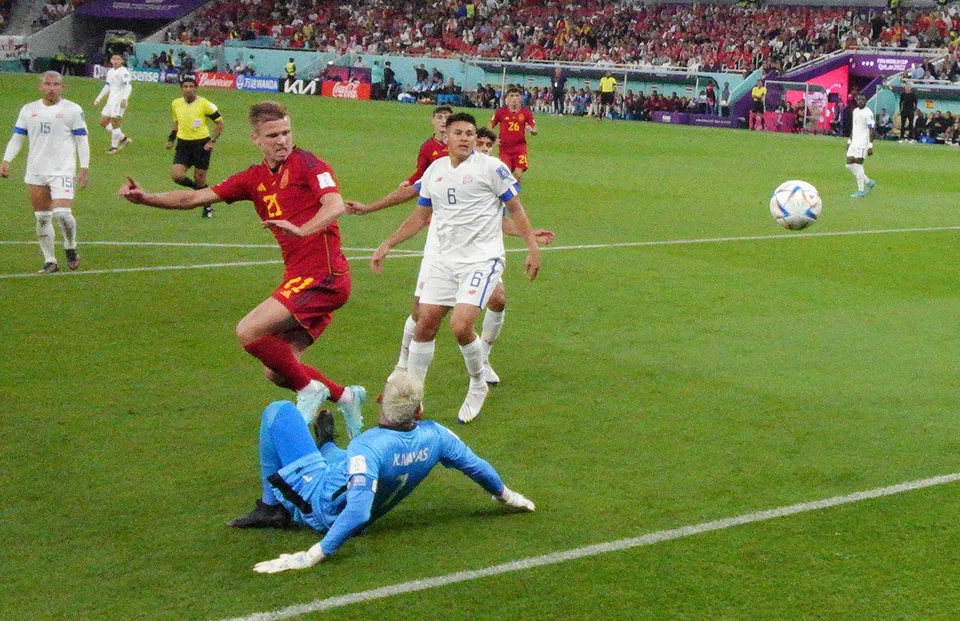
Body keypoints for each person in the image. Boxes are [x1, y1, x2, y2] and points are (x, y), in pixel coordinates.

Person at [119, 101, 366, 436]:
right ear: (256, 139)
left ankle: (311, 390)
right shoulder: (253, 178)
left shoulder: (309, 164)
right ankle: (347, 397)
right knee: (278, 371)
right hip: (299, 280)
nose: (282, 141)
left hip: (324, 276)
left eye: (286, 132)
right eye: (273, 135)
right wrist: (145, 198)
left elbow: (335, 204)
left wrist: (304, 228)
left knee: (248, 330)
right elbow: (193, 198)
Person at [231, 371, 536, 573]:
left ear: (381, 403)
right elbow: (477, 467)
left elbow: (358, 511)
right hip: (350, 499)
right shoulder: (437, 437)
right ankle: (324, 447)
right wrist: (507, 496)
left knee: (278, 412)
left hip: (321, 507)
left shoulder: (367, 447)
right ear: (418, 411)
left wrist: (310, 556)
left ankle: (272, 508)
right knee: (334, 456)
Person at [366, 113, 542, 423]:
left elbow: (516, 209)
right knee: (425, 323)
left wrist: (532, 247)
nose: (464, 138)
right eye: (458, 133)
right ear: (445, 137)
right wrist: (388, 243)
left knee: (461, 326)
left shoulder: (492, 169)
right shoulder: (435, 171)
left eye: (470, 133)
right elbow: (419, 217)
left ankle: (477, 383)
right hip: (444, 260)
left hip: (481, 259)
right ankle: (414, 398)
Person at [1, 71, 88, 273]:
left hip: (63, 171)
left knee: (62, 214)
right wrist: (6, 160)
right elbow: (17, 137)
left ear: (62, 87)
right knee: (42, 217)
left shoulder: (72, 110)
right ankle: (50, 261)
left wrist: (83, 168)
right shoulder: (28, 109)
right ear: (40, 87)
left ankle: (70, 246)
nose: (51, 88)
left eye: (56, 84)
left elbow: (82, 140)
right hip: (36, 170)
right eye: (47, 84)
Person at [166, 73, 224, 218]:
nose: (188, 89)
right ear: (181, 89)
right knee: (177, 176)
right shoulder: (176, 104)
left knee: (200, 179)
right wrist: (171, 139)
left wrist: (212, 141)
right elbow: (176, 123)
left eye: (191, 86)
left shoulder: (204, 104)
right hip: (183, 144)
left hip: (201, 145)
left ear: (196, 88)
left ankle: (206, 204)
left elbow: (220, 123)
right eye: (185, 86)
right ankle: (203, 193)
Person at [489, 87, 537, 183]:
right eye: (512, 96)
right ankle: (505, 196)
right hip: (504, 149)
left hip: (519, 148)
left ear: (521, 97)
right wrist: (492, 138)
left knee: (518, 175)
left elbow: (535, 129)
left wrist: (532, 130)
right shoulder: (500, 112)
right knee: (505, 176)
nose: (514, 98)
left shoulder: (526, 112)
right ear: (507, 97)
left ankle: (515, 196)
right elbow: (491, 125)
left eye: (517, 95)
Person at [93, 53, 133, 154]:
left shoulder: (124, 72)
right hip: (110, 101)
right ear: (110, 60)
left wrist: (124, 98)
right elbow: (107, 86)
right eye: (113, 59)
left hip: (119, 102)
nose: (115, 61)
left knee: (115, 122)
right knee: (103, 122)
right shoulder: (110, 71)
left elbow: (128, 86)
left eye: (118, 59)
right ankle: (123, 139)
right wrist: (98, 98)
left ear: (122, 61)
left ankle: (114, 147)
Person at [845, 94, 877, 199]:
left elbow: (872, 129)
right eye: (859, 99)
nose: (861, 101)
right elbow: (854, 127)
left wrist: (870, 145)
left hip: (863, 143)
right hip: (854, 142)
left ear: (866, 101)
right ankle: (868, 181)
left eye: (863, 99)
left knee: (858, 165)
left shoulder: (868, 113)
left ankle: (861, 191)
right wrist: (849, 141)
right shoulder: (855, 111)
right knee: (849, 165)